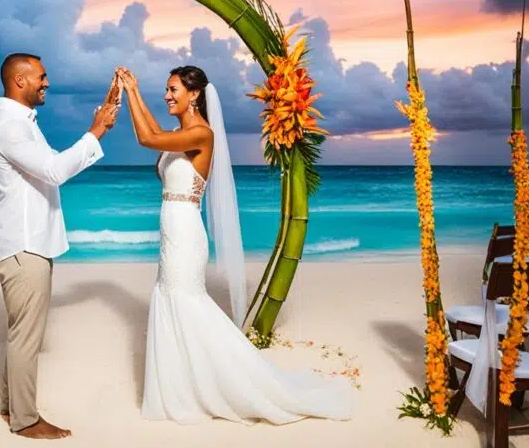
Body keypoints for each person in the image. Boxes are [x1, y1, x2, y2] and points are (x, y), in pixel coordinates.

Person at [115, 64, 356, 425]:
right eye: (166, 90)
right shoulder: (180, 133)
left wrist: (132, 92)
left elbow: (147, 139)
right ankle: (181, 387)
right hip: (171, 231)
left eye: (173, 89)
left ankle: (230, 383)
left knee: (187, 302)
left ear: (194, 94)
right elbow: (153, 133)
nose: (166, 95)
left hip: (185, 232)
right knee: (172, 299)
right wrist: (132, 90)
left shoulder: (202, 134)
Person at [0, 53, 118, 439]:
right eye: (41, 78)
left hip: (27, 243)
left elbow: (49, 166)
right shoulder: (11, 126)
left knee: (19, 334)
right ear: (20, 81)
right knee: (27, 337)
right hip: (23, 246)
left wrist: (96, 130)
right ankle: (25, 421)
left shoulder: (20, 123)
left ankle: (12, 408)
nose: (47, 83)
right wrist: (96, 132)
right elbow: (55, 171)